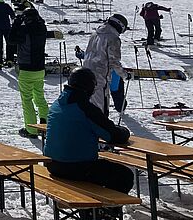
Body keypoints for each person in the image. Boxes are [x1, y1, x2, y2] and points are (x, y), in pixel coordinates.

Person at [44, 68, 134, 218]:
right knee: (124, 175)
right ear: (89, 87)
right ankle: (105, 213)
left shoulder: (57, 104)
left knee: (102, 170)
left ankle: (91, 209)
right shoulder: (85, 108)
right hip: (77, 167)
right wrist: (123, 131)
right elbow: (113, 136)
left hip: (53, 165)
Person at [9, 0, 60, 138]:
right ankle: (45, 124)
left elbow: (11, 39)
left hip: (26, 69)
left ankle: (31, 130)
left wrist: (17, 21)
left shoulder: (25, 30)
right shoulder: (42, 29)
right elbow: (40, 21)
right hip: (39, 69)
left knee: (27, 100)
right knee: (39, 97)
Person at [83, 14, 129, 115]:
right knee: (100, 111)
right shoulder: (113, 38)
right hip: (100, 77)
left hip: (85, 75)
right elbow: (114, 62)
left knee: (89, 107)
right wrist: (124, 74)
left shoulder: (95, 33)